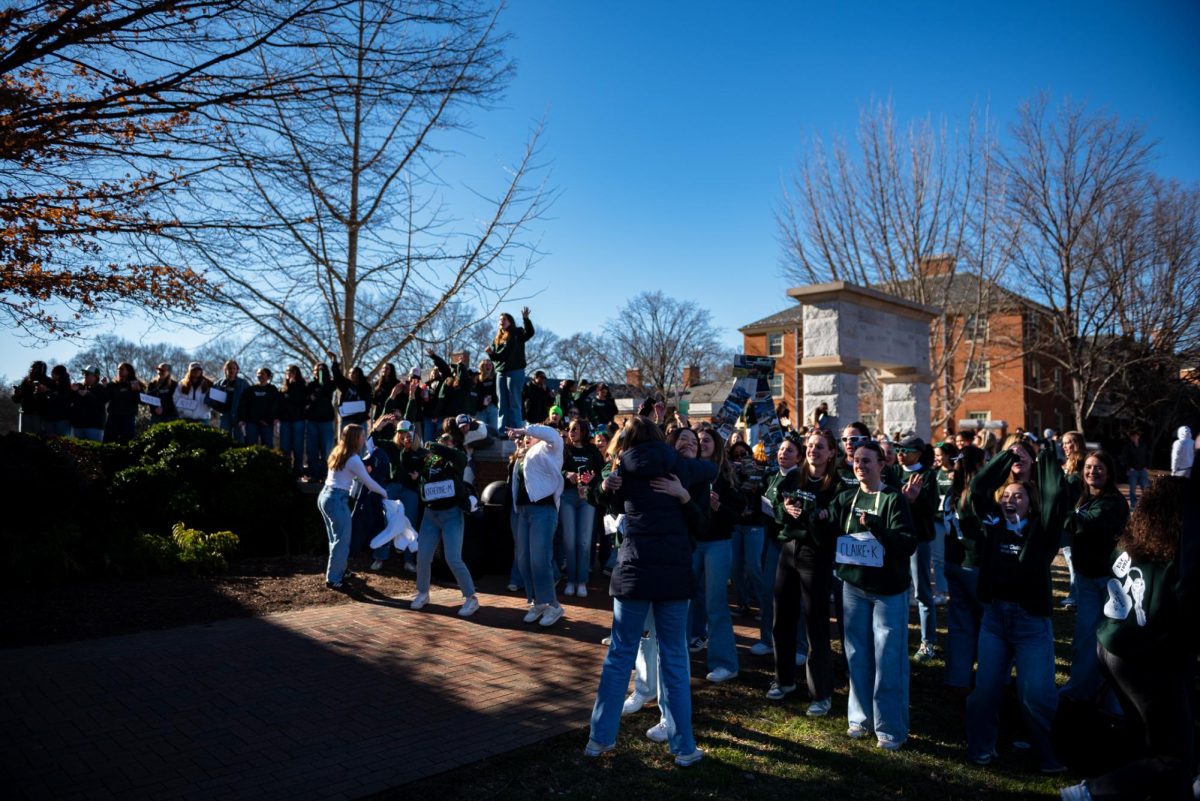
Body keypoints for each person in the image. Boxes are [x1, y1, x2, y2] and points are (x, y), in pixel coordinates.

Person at [1058, 474, 1198, 801]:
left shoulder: (1132, 544)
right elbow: (1180, 603)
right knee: (1175, 757)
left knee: (1146, 741)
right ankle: (1090, 792)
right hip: (1141, 657)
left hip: (1110, 646)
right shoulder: (1172, 557)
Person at [585, 416, 715, 767]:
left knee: (619, 656)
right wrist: (685, 488)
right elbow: (712, 470)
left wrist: (604, 486)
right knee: (674, 657)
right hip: (673, 573)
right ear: (662, 439)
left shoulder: (622, 469)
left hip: (634, 570)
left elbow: (598, 500)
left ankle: (599, 740)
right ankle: (684, 747)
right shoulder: (682, 468)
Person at [965, 443, 1068, 774]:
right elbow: (979, 488)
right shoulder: (994, 523)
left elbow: (1056, 495)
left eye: (1018, 497)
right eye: (1007, 496)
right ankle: (981, 749)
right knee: (984, 693)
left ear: (1030, 504)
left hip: (1030, 624)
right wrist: (1008, 457)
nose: (1010, 500)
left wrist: (1042, 458)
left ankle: (1049, 756)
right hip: (995, 619)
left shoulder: (1043, 530)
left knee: (1036, 695)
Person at [830, 441, 917, 751]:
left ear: (882, 465)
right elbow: (829, 527)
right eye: (856, 460)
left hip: (887, 593)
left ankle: (890, 727)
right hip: (853, 587)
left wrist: (880, 528)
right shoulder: (846, 498)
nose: (861, 465)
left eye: (867, 461)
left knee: (888, 657)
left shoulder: (893, 499)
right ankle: (860, 718)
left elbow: (906, 543)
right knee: (856, 653)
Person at [768, 429, 838, 717]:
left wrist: (814, 517)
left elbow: (833, 519)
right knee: (781, 619)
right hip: (788, 551)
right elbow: (776, 510)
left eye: (820, 447)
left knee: (816, 626)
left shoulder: (836, 483)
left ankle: (821, 693)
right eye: (810, 446)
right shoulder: (792, 477)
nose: (813, 451)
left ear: (832, 453)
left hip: (816, 556)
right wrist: (786, 511)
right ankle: (783, 680)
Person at [1059, 450, 1129, 705]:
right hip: (1087, 579)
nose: (1092, 472)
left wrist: (1063, 514)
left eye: (1098, 468)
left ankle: (1098, 696)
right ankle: (1085, 689)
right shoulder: (1085, 498)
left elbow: (1083, 524)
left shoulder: (1112, 502)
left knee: (1104, 642)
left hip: (1108, 583)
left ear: (1109, 472)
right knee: (1085, 638)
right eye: (1088, 467)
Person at [683, 425, 743, 683]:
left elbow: (737, 513)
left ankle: (725, 663)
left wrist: (718, 507)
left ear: (716, 445)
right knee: (683, 601)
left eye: (707, 440)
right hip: (692, 543)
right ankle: (679, 657)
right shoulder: (686, 470)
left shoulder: (725, 475)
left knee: (716, 605)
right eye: (698, 440)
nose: (702, 443)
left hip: (718, 543)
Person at [410, 432, 480, 617]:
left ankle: (471, 598)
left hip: (451, 515)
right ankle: (423, 593)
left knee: (453, 558)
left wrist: (432, 444)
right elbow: (407, 460)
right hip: (430, 515)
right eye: (441, 440)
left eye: (446, 441)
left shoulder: (456, 459)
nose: (442, 443)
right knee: (423, 556)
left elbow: (455, 455)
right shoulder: (429, 461)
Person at [318, 423, 387, 590]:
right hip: (336, 500)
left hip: (325, 497)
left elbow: (353, 472)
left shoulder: (338, 451)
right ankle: (333, 578)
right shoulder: (354, 459)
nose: (364, 439)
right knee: (342, 540)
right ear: (355, 438)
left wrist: (364, 469)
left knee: (335, 538)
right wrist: (385, 492)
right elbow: (369, 484)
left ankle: (341, 570)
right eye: (362, 436)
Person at [510, 421, 565, 626]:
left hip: (543, 511)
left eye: (529, 434)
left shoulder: (549, 449)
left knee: (540, 560)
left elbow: (552, 434)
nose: (525, 437)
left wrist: (526, 428)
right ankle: (538, 602)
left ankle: (554, 605)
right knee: (524, 560)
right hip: (523, 512)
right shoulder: (523, 455)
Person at [942, 445, 987, 690]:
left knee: (960, 624)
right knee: (986, 623)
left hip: (954, 562)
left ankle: (957, 677)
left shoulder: (952, 491)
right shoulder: (976, 494)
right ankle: (989, 677)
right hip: (973, 563)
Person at [896, 435, 939, 662]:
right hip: (895, 540)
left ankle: (927, 641)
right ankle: (899, 636)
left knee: (922, 591)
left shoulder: (928, 475)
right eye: (898, 449)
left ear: (919, 453)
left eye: (906, 450)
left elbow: (930, 509)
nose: (900, 454)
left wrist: (914, 500)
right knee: (897, 591)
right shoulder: (893, 472)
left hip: (918, 540)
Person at [561, 418, 604, 598]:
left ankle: (582, 581)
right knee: (570, 542)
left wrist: (591, 480)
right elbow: (556, 469)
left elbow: (602, 472)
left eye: (576, 429)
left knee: (585, 542)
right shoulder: (565, 450)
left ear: (584, 431)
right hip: (568, 497)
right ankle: (571, 580)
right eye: (570, 429)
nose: (572, 432)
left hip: (586, 497)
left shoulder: (592, 450)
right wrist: (566, 473)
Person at [486, 307, 534, 431]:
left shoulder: (517, 333)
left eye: (505, 319)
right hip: (501, 372)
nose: (502, 321)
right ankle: (502, 431)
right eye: (500, 320)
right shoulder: (497, 339)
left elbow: (530, 333)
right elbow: (497, 358)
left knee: (514, 402)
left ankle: (516, 431)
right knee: (502, 403)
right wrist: (491, 353)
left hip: (515, 371)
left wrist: (526, 319)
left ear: (510, 322)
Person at [1059, 430, 1088, 609]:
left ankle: (1075, 596)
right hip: (1072, 522)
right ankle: (1076, 594)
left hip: (1073, 522)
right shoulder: (1071, 467)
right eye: (1063, 443)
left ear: (1076, 443)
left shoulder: (1079, 468)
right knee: (1073, 560)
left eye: (1068, 442)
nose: (1064, 446)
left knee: (1073, 561)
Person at [304, 363, 336, 482]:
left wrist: (322, 381)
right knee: (312, 450)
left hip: (326, 421)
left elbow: (326, 391)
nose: (318, 372)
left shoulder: (330, 384)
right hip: (312, 421)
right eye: (316, 370)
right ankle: (313, 475)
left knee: (326, 450)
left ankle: (326, 475)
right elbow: (305, 400)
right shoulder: (310, 385)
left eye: (321, 370)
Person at [277, 365, 308, 478]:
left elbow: (299, 401)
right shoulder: (282, 389)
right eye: (288, 371)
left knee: (298, 447)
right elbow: (279, 405)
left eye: (292, 372)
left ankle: (298, 470)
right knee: (285, 447)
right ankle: (286, 470)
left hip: (298, 421)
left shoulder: (302, 387)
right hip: (285, 422)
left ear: (297, 373)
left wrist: (294, 385)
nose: (290, 373)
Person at [104, 362, 143, 444]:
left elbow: (141, 401)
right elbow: (105, 398)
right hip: (113, 417)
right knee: (109, 441)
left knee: (126, 442)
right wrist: (105, 387)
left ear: (128, 371)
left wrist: (137, 391)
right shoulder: (112, 385)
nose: (119, 371)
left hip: (128, 418)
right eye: (118, 369)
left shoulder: (135, 383)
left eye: (121, 369)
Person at [239, 367, 279, 447]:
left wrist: (269, 419)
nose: (260, 375)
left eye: (262, 373)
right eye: (258, 373)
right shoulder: (250, 390)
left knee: (267, 447)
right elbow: (243, 405)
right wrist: (242, 418)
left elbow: (275, 405)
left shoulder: (272, 389)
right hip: (251, 422)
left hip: (267, 423)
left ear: (268, 376)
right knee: (250, 446)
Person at [330, 354, 372, 428]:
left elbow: (367, 403)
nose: (352, 375)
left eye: (354, 372)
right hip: (347, 419)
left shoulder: (366, 387)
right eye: (350, 373)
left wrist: (362, 416)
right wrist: (334, 361)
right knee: (346, 439)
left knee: (361, 439)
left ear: (359, 374)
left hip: (361, 421)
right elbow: (337, 376)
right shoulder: (346, 385)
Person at [213, 360, 250, 441]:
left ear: (237, 370)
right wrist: (218, 408)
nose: (232, 370)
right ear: (225, 369)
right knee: (224, 438)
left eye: (234, 368)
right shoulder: (219, 383)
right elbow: (212, 398)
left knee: (239, 440)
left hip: (239, 415)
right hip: (225, 415)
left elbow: (249, 400)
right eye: (229, 368)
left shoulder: (243, 383)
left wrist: (245, 416)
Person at [69, 365, 108, 441]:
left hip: (94, 426)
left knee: (94, 450)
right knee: (77, 451)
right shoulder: (79, 387)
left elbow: (102, 402)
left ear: (95, 376)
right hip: (78, 426)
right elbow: (71, 401)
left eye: (87, 374)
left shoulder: (101, 388)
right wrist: (73, 391)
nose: (85, 376)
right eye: (84, 374)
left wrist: (88, 395)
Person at [12, 360, 50, 434]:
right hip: (25, 413)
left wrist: (44, 390)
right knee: (25, 438)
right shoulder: (26, 381)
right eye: (32, 367)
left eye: (36, 368)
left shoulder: (47, 381)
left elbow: (50, 397)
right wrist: (17, 394)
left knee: (39, 438)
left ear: (42, 369)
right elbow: (17, 400)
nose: (33, 369)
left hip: (39, 415)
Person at [1120, 429, 1151, 508]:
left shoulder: (1143, 445)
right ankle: (1133, 505)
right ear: (1131, 438)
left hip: (1143, 470)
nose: (1134, 437)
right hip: (1133, 471)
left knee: (1145, 488)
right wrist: (1128, 468)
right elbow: (1124, 458)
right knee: (1132, 489)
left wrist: (1147, 467)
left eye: (1136, 436)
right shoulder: (1128, 447)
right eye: (1133, 436)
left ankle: (1146, 504)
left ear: (1138, 436)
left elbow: (1148, 456)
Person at [42, 365, 74, 436]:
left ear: (58, 374)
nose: (51, 375)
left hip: (62, 419)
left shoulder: (66, 385)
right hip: (53, 418)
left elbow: (61, 398)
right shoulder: (54, 384)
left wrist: (47, 391)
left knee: (62, 442)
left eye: (53, 373)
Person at [474, 358, 499, 434]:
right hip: (481, 408)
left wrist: (492, 397)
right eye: (486, 365)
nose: (488, 367)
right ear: (482, 367)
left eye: (490, 365)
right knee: (481, 431)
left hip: (493, 406)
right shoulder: (477, 378)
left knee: (493, 430)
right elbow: (475, 392)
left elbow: (498, 391)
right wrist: (483, 400)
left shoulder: (496, 377)